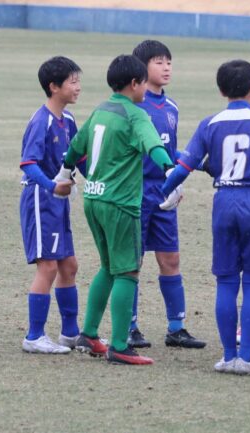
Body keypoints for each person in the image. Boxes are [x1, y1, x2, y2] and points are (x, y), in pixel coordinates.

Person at [160, 60, 250, 375]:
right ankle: (246, 357)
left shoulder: (209, 123)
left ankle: (227, 357)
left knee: (226, 281)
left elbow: (183, 168)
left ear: (221, 90)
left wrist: (163, 191)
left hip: (224, 202)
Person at [63, 54, 176, 365]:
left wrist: (65, 171)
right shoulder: (136, 114)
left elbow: (75, 147)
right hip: (120, 204)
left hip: (93, 199)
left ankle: (88, 334)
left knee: (108, 267)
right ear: (135, 83)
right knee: (127, 271)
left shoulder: (101, 110)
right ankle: (120, 346)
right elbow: (154, 147)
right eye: (143, 84)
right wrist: (171, 172)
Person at [127, 39, 205, 350]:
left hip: (164, 192)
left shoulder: (171, 107)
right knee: (132, 262)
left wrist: (197, 163)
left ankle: (176, 327)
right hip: (135, 191)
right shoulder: (133, 106)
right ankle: (129, 326)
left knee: (170, 259)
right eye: (159, 62)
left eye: (169, 62)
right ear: (142, 68)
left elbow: (170, 152)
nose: (167, 67)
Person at [19, 56, 84, 354]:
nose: (78, 87)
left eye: (78, 81)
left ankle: (70, 333)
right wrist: (52, 185)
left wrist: (102, 179)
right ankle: (34, 336)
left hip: (58, 201)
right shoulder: (41, 121)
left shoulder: (68, 120)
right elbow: (28, 164)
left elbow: (79, 159)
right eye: (72, 81)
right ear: (53, 86)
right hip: (40, 199)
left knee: (68, 265)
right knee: (47, 267)